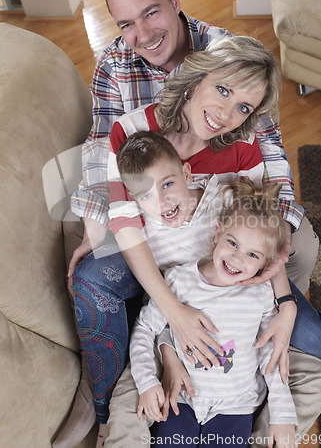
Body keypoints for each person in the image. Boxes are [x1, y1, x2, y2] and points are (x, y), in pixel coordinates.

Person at [54, 0, 321, 448]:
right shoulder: (128, 115)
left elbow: (265, 193)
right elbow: (105, 162)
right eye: (127, 23)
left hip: (229, 255)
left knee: (317, 334)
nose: (225, 113)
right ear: (196, 78)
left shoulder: (235, 87)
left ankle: (261, 418)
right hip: (164, 256)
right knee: (94, 273)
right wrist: (99, 233)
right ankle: (106, 400)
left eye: (152, 13)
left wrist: (282, 302)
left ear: (174, 2)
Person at [129, 176, 298, 448]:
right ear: (218, 232)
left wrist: (283, 413)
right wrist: (147, 383)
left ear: (268, 264)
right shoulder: (179, 281)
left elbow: (272, 352)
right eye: (232, 243)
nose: (236, 259)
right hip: (182, 398)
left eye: (253, 255)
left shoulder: (262, 294)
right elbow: (145, 329)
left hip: (235, 405)